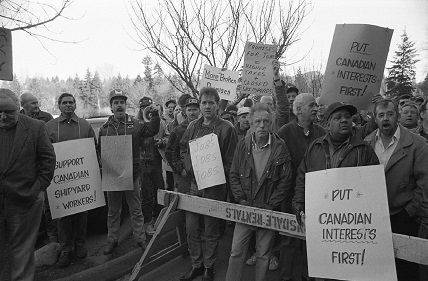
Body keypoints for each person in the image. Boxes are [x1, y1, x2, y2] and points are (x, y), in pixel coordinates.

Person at [292, 102, 379, 263]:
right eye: (338, 117)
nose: (344, 120)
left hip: (351, 225)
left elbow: (374, 189)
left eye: (347, 117)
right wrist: (299, 201)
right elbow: (302, 176)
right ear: (327, 124)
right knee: (320, 264)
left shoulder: (364, 149)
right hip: (321, 221)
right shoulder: (314, 147)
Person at [225, 103, 292, 281]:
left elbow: (285, 181)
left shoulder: (280, 147)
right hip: (245, 209)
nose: (262, 125)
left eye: (266, 121)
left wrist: (270, 205)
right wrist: (241, 200)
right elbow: (233, 175)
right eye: (258, 122)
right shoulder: (242, 145)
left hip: (267, 210)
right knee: (236, 251)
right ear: (251, 123)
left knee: (263, 253)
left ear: (271, 124)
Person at [365, 99, 428, 281]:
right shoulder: (366, 143)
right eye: (381, 115)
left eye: (390, 114)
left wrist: (409, 211)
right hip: (374, 218)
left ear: (398, 116)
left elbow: (424, 185)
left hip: (403, 216)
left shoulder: (418, 144)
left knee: (405, 268)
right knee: (378, 266)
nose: (386, 119)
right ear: (375, 119)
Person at [179, 87, 238, 281]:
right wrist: (187, 168)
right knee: (191, 228)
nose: (206, 106)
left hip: (214, 186)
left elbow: (232, 160)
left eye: (210, 103)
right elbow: (183, 148)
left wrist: (218, 173)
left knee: (211, 229)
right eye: (203, 102)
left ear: (218, 105)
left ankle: (209, 267)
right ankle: (196, 264)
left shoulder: (227, 128)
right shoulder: (192, 126)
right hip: (194, 185)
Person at [0, 88, 56, 281]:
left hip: (26, 200)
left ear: (18, 109)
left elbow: (48, 160)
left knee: (22, 250)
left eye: (8, 111)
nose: (3, 116)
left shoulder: (36, 127)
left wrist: (39, 189)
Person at [98, 90, 160, 255]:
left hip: (132, 176)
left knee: (136, 209)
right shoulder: (104, 129)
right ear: (111, 107)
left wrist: (155, 115)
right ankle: (112, 240)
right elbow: (100, 152)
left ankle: (140, 239)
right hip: (113, 178)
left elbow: (152, 130)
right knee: (113, 211)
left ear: (126, 106)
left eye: (122, 102)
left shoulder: (137, 124)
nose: (119, 105)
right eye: (116, 102)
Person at [277, 93, 326, 281]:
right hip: (289, 193)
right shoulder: (284, 132)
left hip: (317, 193)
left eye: (316, 105)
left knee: (314, 238)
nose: (316, 109)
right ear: (298, 110)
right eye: (311, 105)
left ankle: (311, 275)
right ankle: (285, 276)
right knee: (289, 237)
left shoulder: (322, 132)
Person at [45, 93, 97, 267]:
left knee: (82, 212)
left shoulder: (84, 125)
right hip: (60, 180)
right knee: (62, 215)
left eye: (71, 102)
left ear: (75, 105)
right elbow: (44, 153)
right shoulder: (49, 127)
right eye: (64, 103)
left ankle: (80, 244)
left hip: (81, 179)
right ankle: (66, 249)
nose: (68, 105)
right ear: (58, 106)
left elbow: (93, 149)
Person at [20, 92, 57, 243]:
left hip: (43, 168)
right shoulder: (16, 118)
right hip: (25, 169)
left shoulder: (47, 117)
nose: (37, 106)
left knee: (48, 203)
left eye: (37, 102)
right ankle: (35, 234)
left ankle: (52, 234)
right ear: (23, 105)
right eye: (33, 103)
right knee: (29, 205)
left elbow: (52, 141)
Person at [137, 97, 169, 236]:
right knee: (146, 193)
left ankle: (159, 217)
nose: (147, 110)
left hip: (156, 160)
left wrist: (162, 141)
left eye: (149, 107)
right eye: (144, 107)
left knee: (160, 190)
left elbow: (168, 136)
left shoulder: (161, 123)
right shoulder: (136, 123)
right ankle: (148, 221)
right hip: (143, 163)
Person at [165, 97, 200, 193]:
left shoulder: (206, 128)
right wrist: (180, 169)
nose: (192, 113)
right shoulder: (179, 130)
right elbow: (169, 151)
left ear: (199, 110)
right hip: (185, 176)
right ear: (185, 111)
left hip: (202, 174)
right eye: (189, 110)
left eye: (195, 110)